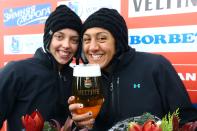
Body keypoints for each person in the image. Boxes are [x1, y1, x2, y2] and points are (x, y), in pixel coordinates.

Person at [68, 8, 197, 130]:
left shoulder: (156, 66)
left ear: (118, 41)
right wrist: (80, 124)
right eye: (86, 40)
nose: (93, 47)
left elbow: (187, 121)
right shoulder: (85, 78)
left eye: (102, 38)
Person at [0, 5, 82, 131]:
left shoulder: (78, 77)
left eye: (74, 40)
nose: (66, 45)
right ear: (48, 38)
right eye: (59, 37)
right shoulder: (16, 71)